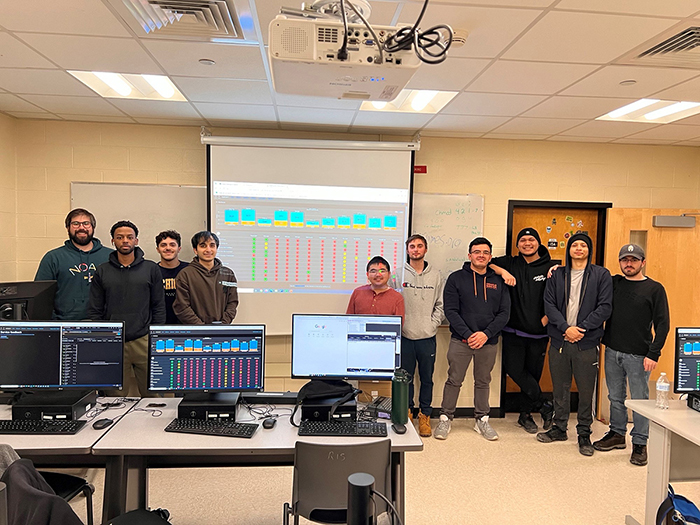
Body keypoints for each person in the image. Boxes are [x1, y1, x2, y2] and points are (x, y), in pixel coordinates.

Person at [593, 244, 669, 466]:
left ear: (643, 262)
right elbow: (588, 271)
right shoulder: (614, 283)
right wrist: (554, 269)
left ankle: (640, 442)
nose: (629, 264)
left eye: (634, 260)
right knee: (615, 397)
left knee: (639, 401)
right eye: (625, 260)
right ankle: (617, 434)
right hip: (612, 350)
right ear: (620, 262)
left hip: (639, 355)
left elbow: (663, 324)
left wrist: (653, 353)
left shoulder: (655, 289)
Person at [538, 233, 612, 456]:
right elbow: (548, 304)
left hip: (586, 342)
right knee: (559, 387)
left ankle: (584, 434)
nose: (579, 248)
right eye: (575, 245)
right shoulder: (557, 274)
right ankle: (559, 428)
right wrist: (565, 328)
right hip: (560, 339)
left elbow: (605, 307)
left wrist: (581, 329)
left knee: (586, 390)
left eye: (583, 245)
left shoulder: (601, 275)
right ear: (568, 249)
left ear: (589, 250)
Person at [433, 237, 510, 442]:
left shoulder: (497, 280)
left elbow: (504, 313)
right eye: (477, 252)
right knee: (454, 380)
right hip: (461, 340)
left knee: (483, 381)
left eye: (485, 252)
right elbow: (451, 310)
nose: (481, 255)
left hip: (489, 341)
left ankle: (482, 420)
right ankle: (445, 418)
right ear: (469, 255)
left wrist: (485, 334)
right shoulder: (456, 278)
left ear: (490, 256)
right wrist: (469, 335)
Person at [88, 220, 165, 396]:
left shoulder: (151, 268)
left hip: (144, 340)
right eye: (120, 237)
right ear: (112, 241)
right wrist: (101, 338)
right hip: (112, 342)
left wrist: (155, 336)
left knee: (153, 396)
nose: (125, 241)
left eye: (129, 237)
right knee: (113, 400)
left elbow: (158, 306)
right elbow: (95, 308)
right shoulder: (102, 271)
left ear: (136, 241)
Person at [490, 228, 555, 434]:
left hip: (539, 332)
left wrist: (548, 317)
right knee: (515, 370)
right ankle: (545, 405)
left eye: (531, 239)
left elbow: (561, 295)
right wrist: (503, 271)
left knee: (533, 375)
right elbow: (484, 263)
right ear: (517, 245)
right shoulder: (510, 263)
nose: (527, 243)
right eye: (523, 240)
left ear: (538, 243)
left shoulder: (551, 267)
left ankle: (525, 415)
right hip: (513, 331)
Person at [401, 234, 444, 437]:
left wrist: (432, 324)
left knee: (427, 379)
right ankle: (408, 413)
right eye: (412, 246)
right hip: (404, 337)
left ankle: (425, 415)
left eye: (419, 246)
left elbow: (441, 305)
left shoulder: (436, 275)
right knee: (406, 379)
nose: (416, 249)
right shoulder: (398, 275)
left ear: (425, 250)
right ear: (407, 250)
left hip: (427, 337)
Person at [34, 208, 112, 320]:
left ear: (92, 227)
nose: (81, 227)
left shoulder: (110, 256)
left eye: (86, 223)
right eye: (75, 223)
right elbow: (41, 296)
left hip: (103, 324)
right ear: (67, 228)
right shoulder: (53, 257)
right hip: (65, 324)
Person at [173, 231, 238, 324]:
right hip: (195, 332)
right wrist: (202, 328)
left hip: (221, 330)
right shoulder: (185, 274)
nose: (208, 250)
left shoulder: (228, 274)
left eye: (212, 245)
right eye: (203, 246)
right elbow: (182, 307)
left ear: (216, 248)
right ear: (195, 250)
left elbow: (232, 303)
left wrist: (223, 325)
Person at [155, 230, 188, 325]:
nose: (168, 248)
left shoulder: (189, 270)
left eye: (172, 245)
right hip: (160, 325)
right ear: (158, 249)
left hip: (186, 325)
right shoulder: (152, 271)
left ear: (179, 248)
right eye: (163, 245)